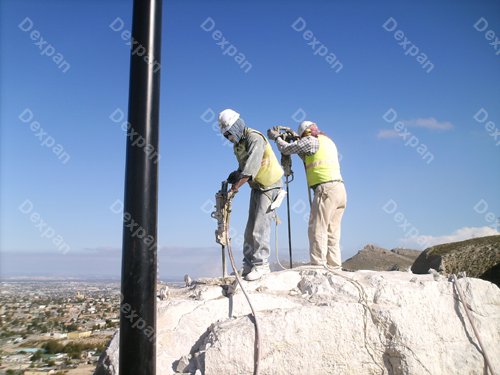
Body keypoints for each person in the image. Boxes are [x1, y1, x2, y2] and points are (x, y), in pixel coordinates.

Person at [268, 121, 346, 269]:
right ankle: (335, 266)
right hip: (340, 190)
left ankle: (318, 264)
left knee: (317, 228)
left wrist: (277, 138)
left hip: (325, 189)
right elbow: (304, 153)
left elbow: (286, 149)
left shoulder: (312, 140)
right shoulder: (327, 141)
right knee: (332, 231)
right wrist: (296, 140)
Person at [218, 109, 284, 281]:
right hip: (257, 186)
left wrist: (234, 190)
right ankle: (248, 265)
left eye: (229, 133)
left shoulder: (255, 138)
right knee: (249, 229)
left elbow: (250, 169)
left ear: (237, 126)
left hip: (270, 185)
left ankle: (262, 265)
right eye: (226, 135)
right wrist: (235, 176)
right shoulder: (238, 145)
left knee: (260, 226)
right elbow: (243, 168)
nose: (229, 138)